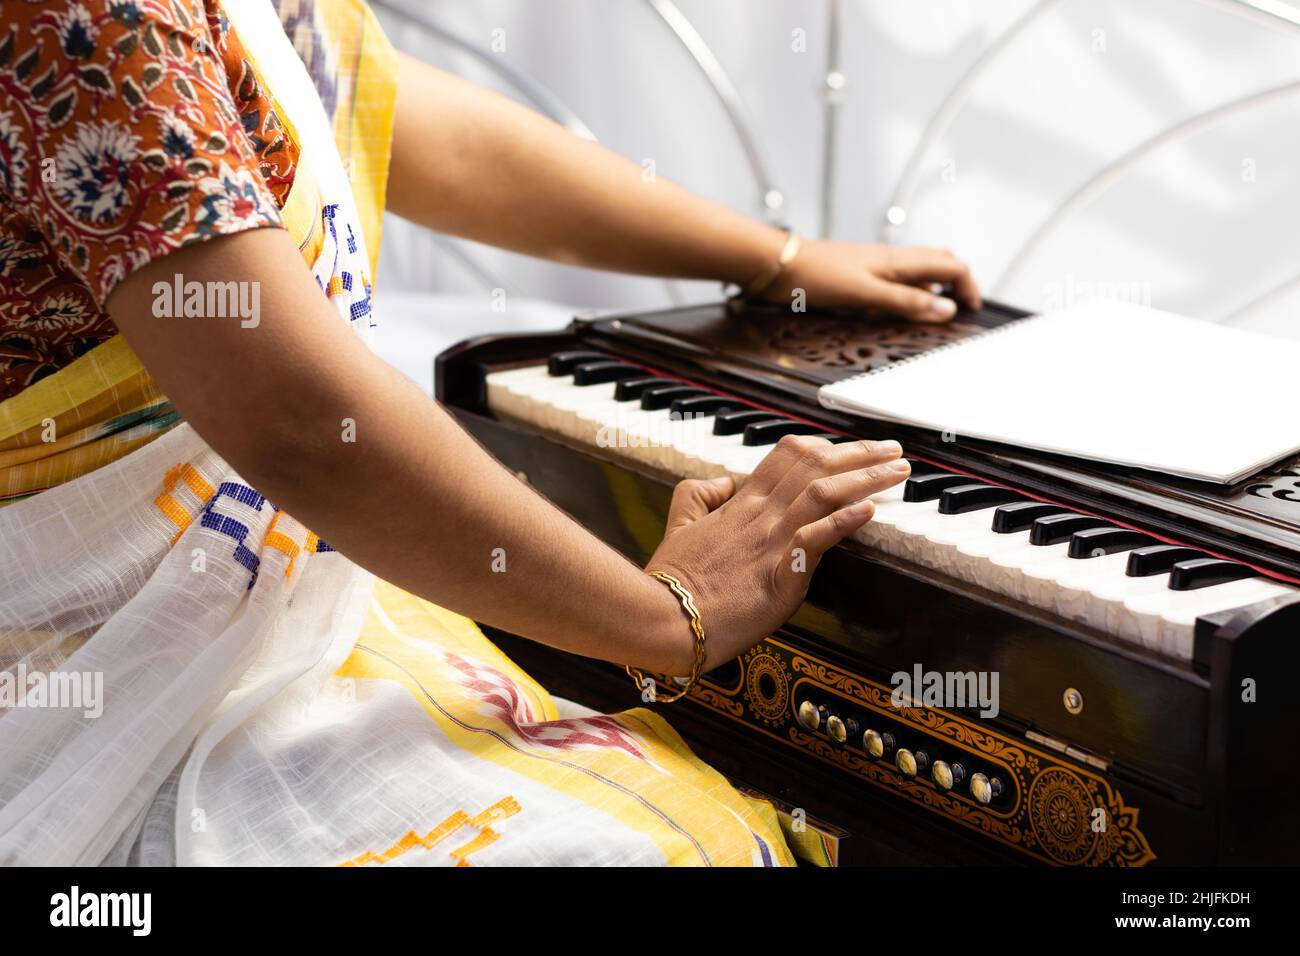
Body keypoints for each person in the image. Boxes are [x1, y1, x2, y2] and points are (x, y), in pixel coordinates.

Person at [0, 0, 980, 866]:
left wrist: (777, 257)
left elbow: (385, 114)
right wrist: (667, 613)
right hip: (80, 682)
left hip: (254, 612)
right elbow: (298, 422)